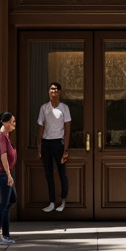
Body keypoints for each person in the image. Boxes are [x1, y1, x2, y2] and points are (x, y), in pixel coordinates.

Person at [35, 82, 71, 212]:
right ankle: (51, 202)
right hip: (46, 143)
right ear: (48, 92)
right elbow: (40, 127)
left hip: (59, 143)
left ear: (60, 92)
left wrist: (66, 149)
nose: (54, 91)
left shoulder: (64, 108)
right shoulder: (44, 108)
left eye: (56, 89)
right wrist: (39, 146)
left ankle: (63, 201)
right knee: (48, 174)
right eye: (51, 88)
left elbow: (67, 129)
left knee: (62, 173)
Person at [0, 111, 18, 245]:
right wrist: (8, 175)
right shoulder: (1, 137)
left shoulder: (6, 136)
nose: (14, 124)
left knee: (10, 201)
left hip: (6, 173)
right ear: (5, 122)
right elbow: (3, 157)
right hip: (3, 173)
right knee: (3, 204)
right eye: (12, 121)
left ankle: (6, 235)